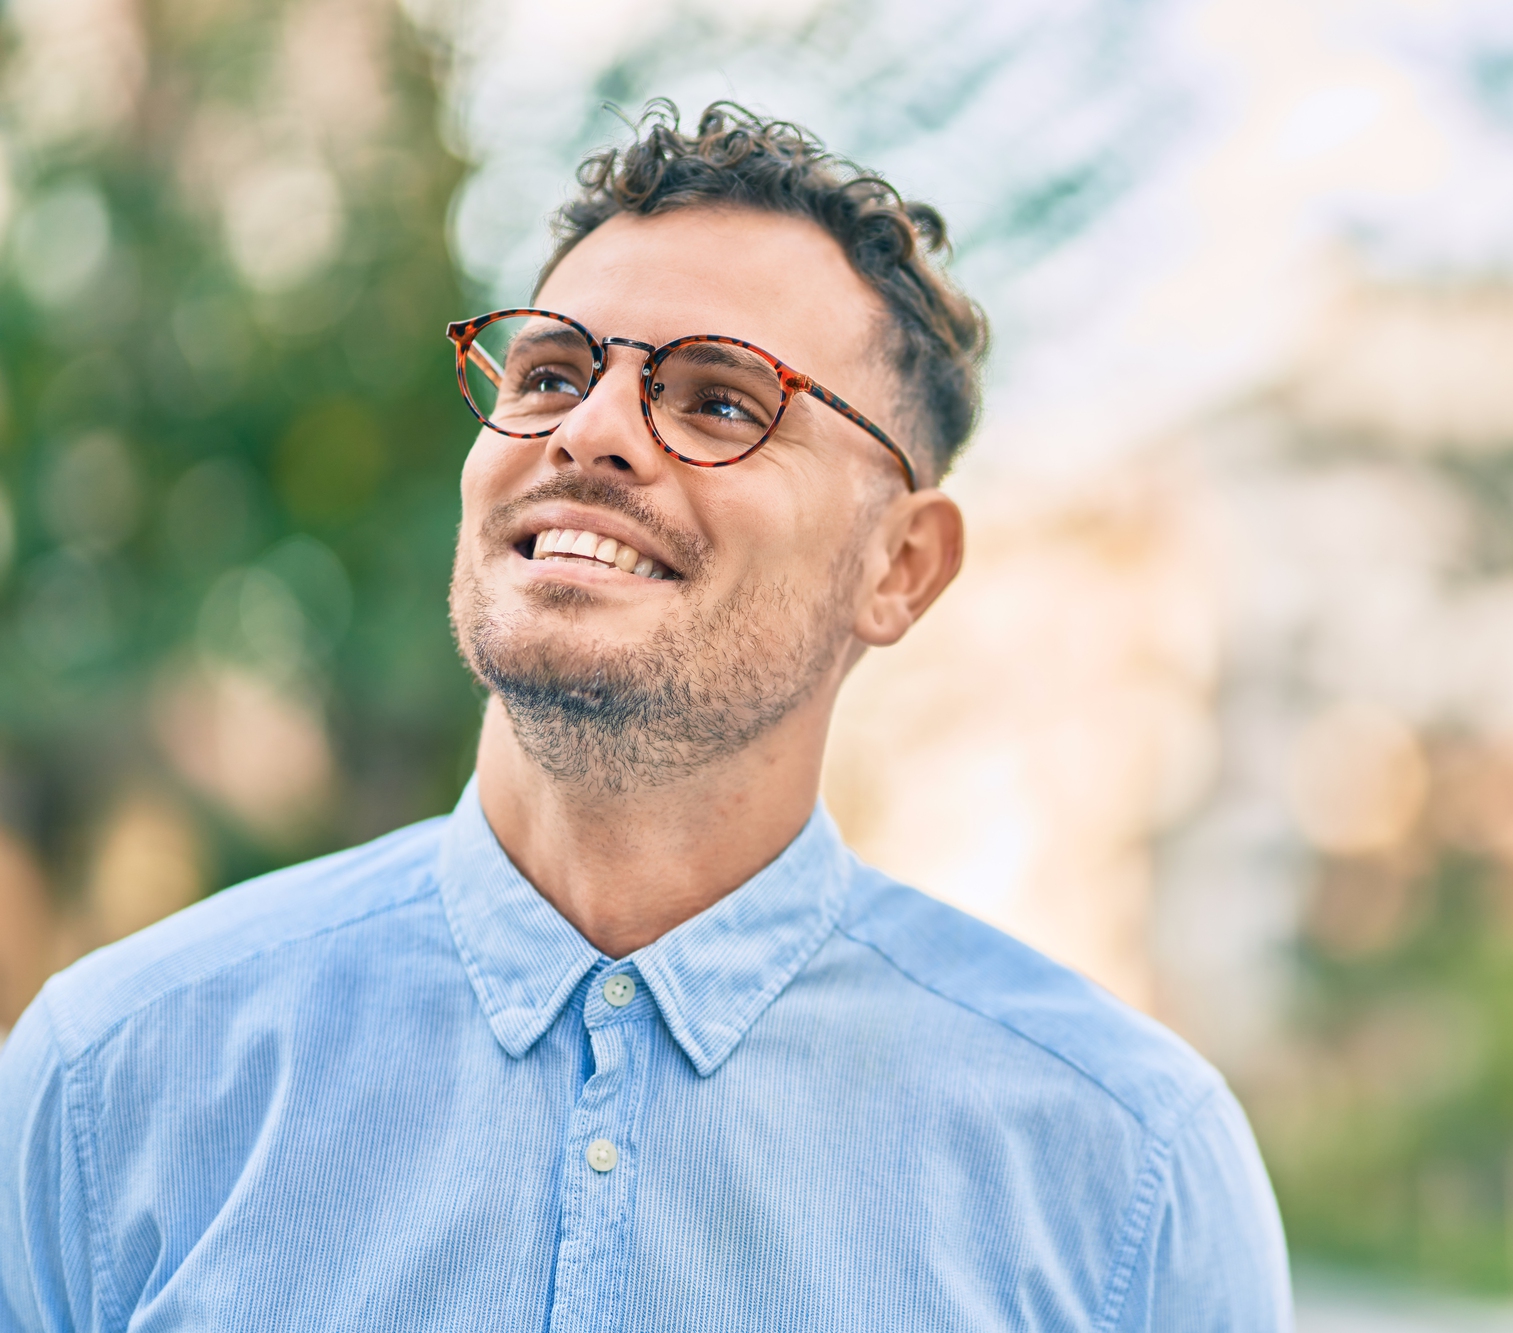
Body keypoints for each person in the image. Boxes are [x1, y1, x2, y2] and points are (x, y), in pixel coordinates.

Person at [0, 102, 1290, 1330]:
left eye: (722, 400)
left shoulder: (1125, 1169)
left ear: (899, 568)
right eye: (551, 373)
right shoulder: (109, 1079)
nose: (593, 431)